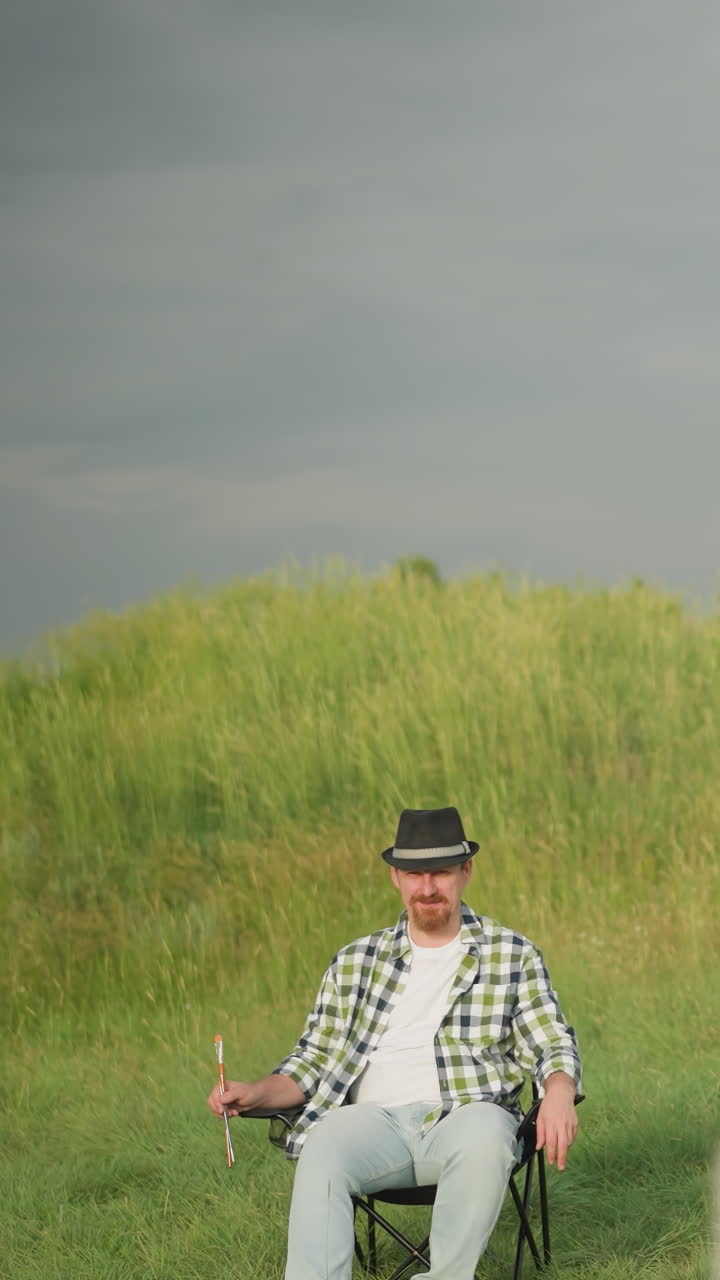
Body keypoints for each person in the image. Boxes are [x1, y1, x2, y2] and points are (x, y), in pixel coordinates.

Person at [207, 807, 582, 1280]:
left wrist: (560, 1091)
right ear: (395, 878)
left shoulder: (511, 954)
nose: (427, 888)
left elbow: (552, 1041)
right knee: (324, 1146)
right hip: (372, 1123)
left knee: (488, 1135)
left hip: (467, 1114)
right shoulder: (355, 961)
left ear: (466, 871)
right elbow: (314, 1060)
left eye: (441, 872)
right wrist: (254, 1093)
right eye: (414, 874)